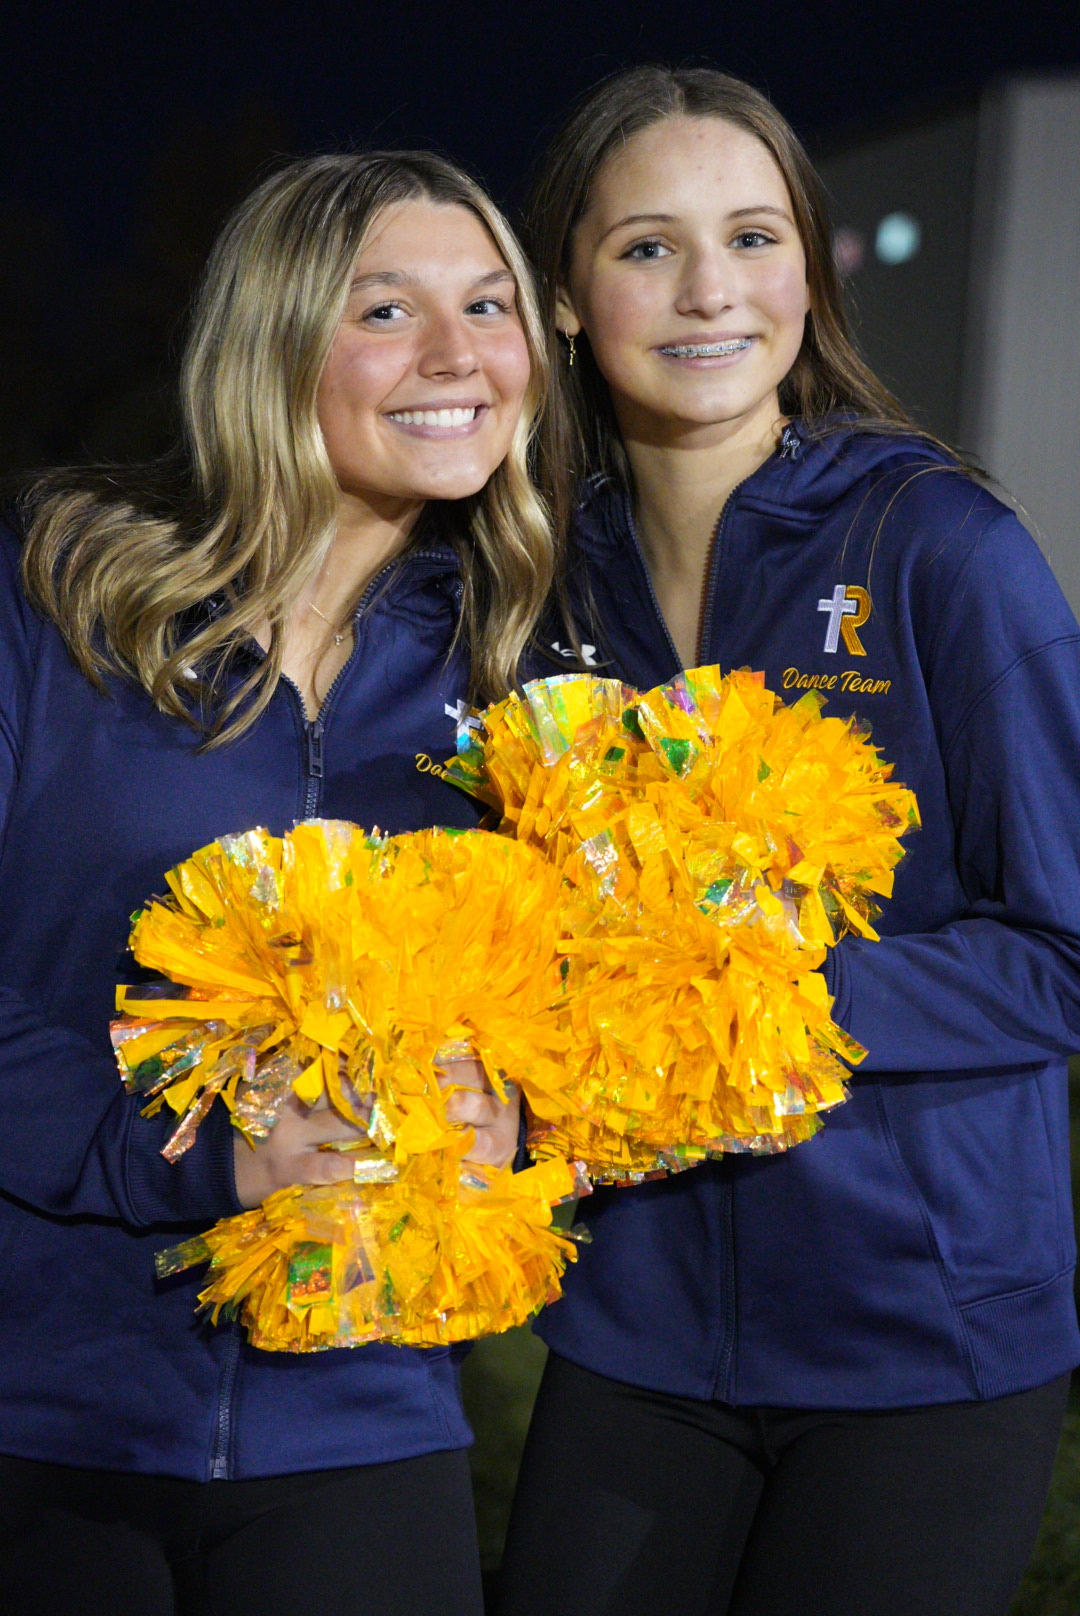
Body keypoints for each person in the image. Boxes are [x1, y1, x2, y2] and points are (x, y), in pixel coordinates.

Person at [498, 66, 1080, 1616]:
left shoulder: (940, 544)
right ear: (562, 295)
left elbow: (1064, 952)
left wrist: (755, 995)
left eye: (753, 237)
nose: (709, 292)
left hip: (922, 1343)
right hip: (636, 1327)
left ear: (810, 274)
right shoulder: (543, 586)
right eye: (644, 247)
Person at [0, 149, 554, 1616]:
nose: (459, 358)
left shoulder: (523, 679)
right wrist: (191, 1153)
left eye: (490, 305)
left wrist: (521, 1110)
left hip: (369, 1430)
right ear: (273, 341)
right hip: (47, 1417)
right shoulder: (57, 604)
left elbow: (583, 1007)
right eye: (386, 312)